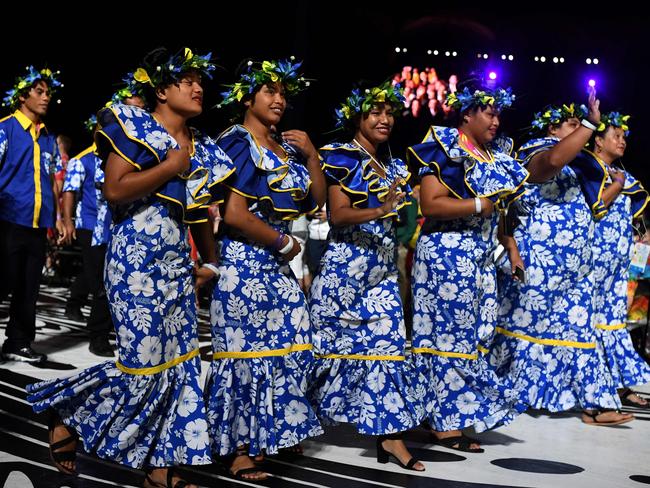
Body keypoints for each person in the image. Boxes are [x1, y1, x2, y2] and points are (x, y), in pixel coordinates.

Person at [27, 47, 234, 487]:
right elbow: (116, 190)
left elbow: (196, 213)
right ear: (160, 89)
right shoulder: (136, 126)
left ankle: (161, 470)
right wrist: (171, 166)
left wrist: (211, 263)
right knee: (141, 365)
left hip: (178, 262)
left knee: (178, 367)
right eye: (186, 81)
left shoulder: (204, 146)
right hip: (135, 259)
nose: (198, 88)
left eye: (201, 82)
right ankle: (66, 414)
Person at [206, 58, 325, 481]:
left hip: (276, 265)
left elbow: (314, 202)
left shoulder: (286, 148)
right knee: (243, 358)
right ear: (248, 97)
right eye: (270, 91)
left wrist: (311, 156)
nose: (279, 99)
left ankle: (270, 434)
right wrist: (283, 242)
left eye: (283, 93)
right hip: (244, 265)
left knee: (291, 346)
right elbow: (235, 214)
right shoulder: (238, 142)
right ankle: (238, 449)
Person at [489, 95, 634, 426]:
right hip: (538, 264)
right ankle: (506, 393)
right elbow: (552, 162)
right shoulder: (536, 152)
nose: (580, 128)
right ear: (552, 128)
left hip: (573, 270)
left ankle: (595, 404)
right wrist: (590, 125)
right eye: (573, 124)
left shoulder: (580, 163)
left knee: (580, 330)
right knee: (522, 329)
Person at [309, 82, 427, 471]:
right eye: (375, 112)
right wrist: (380, 210)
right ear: (357, 118)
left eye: (389, 113)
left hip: (381, 275)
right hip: (345, 271)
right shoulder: (342, 157)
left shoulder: (392, 166)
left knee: (389, 351)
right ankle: (294, 427)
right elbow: (338, 214)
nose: (384, 119)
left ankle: (391, 439)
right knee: (322, 354)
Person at [407, 84, 528, 452]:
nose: (496, 120)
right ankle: (445, 423)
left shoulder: (495, 154)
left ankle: (445, 411)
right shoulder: (444, 146)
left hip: (478, 257)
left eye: (497, 113)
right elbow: (429, 204)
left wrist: (510, 246)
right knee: (447, 337)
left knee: (475, 335)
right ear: (466, 115)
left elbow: (501, 210)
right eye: (488, 113)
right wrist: (477, 206)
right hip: (445, 255)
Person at [62, 84, 146, 356]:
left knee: (115, 283)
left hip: (124, 228)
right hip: (92, 227)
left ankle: (113, 331)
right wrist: (67, 220)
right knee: (98, 283)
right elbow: (69, 192)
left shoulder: (137, 156)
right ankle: (97, 335)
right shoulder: (82, 160)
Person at [0, 66, 67, 362]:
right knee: (3, 281)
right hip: (8, 219)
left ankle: (18, 342)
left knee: (29, 286)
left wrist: (62, 218)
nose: (45, 98)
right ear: (22, 95)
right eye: (39, 92)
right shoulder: (5, 129)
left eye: (48, 93)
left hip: (38, 222)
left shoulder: (48, 138)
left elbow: (52, 179)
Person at [589, 112, 650, 408]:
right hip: (590, 266)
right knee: (591, 325)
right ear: (598, 141)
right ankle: (596, 391)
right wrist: (618, 183)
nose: (622, 141)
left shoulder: (624, 175)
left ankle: (618, 386)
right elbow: (593, 208)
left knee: (614, 325)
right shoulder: (587, 172)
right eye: (616, 136)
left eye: (624, 137)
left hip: (617, 267)